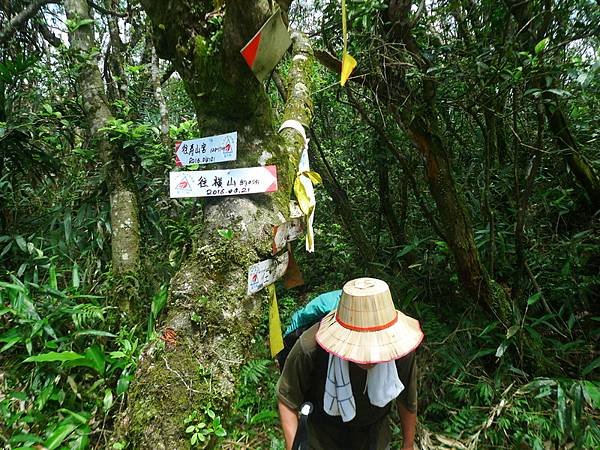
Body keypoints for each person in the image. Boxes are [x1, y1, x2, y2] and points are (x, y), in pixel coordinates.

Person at [276, 277, 424, 450]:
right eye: (362, 346)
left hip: (374, 433)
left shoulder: (399, 351)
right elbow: (287, 398)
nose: (370, 357)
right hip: (322, 434)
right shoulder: (310, 347)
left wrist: (408, 444)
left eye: (377, 346)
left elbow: (407, 399)